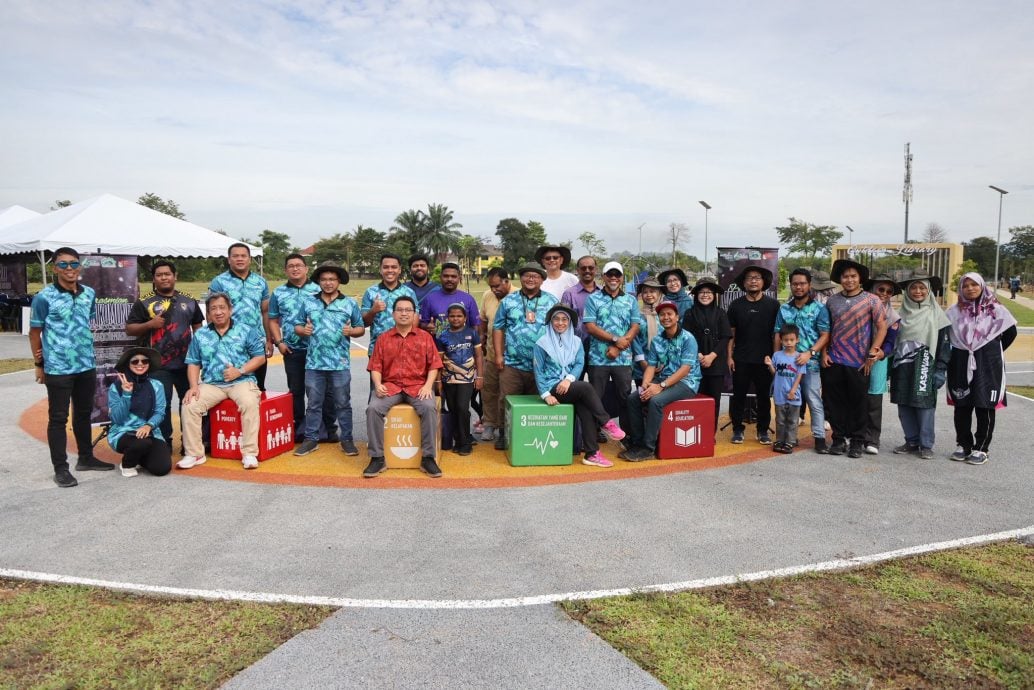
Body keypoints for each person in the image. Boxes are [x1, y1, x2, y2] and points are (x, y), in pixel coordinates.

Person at [29, 247, 109, 487]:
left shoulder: (89, 293)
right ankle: (60, 469)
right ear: (55, 268)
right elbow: (35, 333)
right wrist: (39, 364)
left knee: (83, 413)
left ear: (79, 266)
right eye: (63, 264)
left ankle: (86, 457)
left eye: (73, 263)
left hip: (85, 364)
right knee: (58, 418)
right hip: (58, 368)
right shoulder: (44, 297)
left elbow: (85, 322)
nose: (69, 268)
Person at [178, 292, 267, 470]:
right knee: (189, 404)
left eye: (222, 307)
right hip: (212, 384)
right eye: (213, 309)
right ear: (208, 313)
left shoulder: (246, 330)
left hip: (241, 381)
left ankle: (249, 453)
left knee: (249, 402)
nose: (218, 312)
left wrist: (239, 371)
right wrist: (193, 386)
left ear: (230, 310)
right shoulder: (201, 335)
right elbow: (193, 362)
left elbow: (260, 357)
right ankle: (195, 453)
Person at [125, 260, 204, 451]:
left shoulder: (189, 300)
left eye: (167, 274)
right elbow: (130, 329)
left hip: (187, 363)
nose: (164, 278)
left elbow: (198, 328)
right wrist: (149, 325)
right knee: (162, 404)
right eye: (159, 275)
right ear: (153, 279)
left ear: (175, 276)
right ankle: (163, 442)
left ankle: (189, 441)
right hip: (158, 365)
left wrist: (200, 354)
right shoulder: (144, 302)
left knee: (189, 402)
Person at [534, 305, 625, 468]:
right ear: (551, 321)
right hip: (552, 387)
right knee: (586, 387)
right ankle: (606, 422)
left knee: (585, 408)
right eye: (556, 319)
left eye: (564, 319)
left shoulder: (576, 341)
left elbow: (579, 364)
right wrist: (546, 395)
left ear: (569, 322)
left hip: (568, 386)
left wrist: (568, 380)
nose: (560, 323)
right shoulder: (542, 343)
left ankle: (592, 454)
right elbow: (538, 370)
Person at [364, 296, 443, 478]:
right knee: (373, 408)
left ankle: (428, 458)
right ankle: (377, 457)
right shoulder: (383, 339)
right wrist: (378, 384)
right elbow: (375, 367)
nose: (404, 313)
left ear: (414, 314)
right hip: (390, 386)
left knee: (429, 407)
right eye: (400, 310)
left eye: (408, 310)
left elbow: (434, 365)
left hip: (417, 386)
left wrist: (428, 386)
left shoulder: (425, 337)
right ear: (393, 314)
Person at [292, 261, 365, 457]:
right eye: (324, 279)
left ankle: (347, 439)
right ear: (319, 281)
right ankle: (311, 439)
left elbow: (360, 327)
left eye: (332, 279)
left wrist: (352, 331)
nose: (328, 282)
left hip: (339, 364)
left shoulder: (349, 303)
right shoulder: (308, 302)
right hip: (314, 363)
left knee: (343, 403)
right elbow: (297, 325)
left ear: (339, 281)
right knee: (313, 404)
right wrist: (303, 330)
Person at [945, 272, 1018, 465]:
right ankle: (963, 444)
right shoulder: (953, 312)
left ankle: (981, 448)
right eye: (966, 285)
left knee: (984, 405)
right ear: (961, 288)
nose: (970, 288)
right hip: (960, 362)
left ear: (982, 286)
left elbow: (1010, 333)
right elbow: (946, 335)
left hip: (988, 363)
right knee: (962, 405)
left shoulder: (997, 310)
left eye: (974, 284)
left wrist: (990, 350)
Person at [822, 259, 888, 458]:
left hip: (859, 362)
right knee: (835, 402)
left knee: (859, 403)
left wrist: (872, 353)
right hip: (835, 359)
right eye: (845, 276)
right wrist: (824, 353)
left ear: (860, 279)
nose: (849, 280)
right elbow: (826, 329)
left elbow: (882, 327)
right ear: (840, 279)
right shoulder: (832, 301)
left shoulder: (872, 300)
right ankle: (839, 439)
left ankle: (857, 442)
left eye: (853, 276)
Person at [268, 253, 334, 443]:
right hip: (292, 350)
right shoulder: (278, 293)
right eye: (291, 266)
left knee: (323, 391)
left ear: (306, 269)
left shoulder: (319, 289)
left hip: (319, 350)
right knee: (296, 390)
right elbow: (273, 319)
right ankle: (298, 427)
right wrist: (279, 342)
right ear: (285, 270)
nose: (295, 269)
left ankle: (328, 428)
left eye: (299, 265)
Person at [622, 301, 701, 461]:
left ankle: (648, 448)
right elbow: (651, 366)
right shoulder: (657, 339)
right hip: (663, 379)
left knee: (656, 401)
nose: (666, 317)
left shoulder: (688, 338)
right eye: (662, 314)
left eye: (669, 314)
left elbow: (685, 369)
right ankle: (637, 443)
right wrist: (645, 384)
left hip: (686, 382)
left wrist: (660, 386)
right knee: (633, 399)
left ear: (677, 317)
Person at [492, 262, 559, 450]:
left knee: (538, 400)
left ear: (542, 280)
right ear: (520, 278)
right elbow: (498, 328)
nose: (531, 279)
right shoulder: (508, 301)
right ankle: (504, 434)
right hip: (512, 363)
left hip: (542, 365)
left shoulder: (552, 301)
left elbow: (559, 328)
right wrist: (499, 355)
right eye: (527, 275)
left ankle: (533, 435)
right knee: (506, 399)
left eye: (535, 276)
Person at [890, 270, 951, 459]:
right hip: (902, 366)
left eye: (922, 288)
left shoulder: (938, 316)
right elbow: (892, 344)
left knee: (925, 406)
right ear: (907, 291)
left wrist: (940, 369)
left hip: (925, 365)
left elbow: (944, 345)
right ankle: (911, 441)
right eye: (913, 288)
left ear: (929, 290)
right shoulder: (899, 316)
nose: (918, 291)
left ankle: (926, 444)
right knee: (904, 404)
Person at [772, 268, 831, 453]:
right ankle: (787, 438)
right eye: (795, 284)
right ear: (791, 285)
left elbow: (825, 334)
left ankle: (819, 438)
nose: (799, 287)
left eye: (802, 283)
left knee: (813, 400)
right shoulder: (784, 309)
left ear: (809, 285)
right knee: (785, 402)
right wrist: (776, 358)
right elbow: (777, 334)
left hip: (810, 364)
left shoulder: (819, 308)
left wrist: (810, 353)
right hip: (786, 368)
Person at [583, 261, 639, 436]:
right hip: (598, 358)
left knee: (625, 398)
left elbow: (635, 326)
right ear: (603, 277)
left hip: (623, 359)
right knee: (595, 398)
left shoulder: (630, 299)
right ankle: (593, 435)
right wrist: (615, 340)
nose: (613, 278)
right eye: (610, 274)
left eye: (617, 275)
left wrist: (618, 347)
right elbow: (590, 327)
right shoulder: (593, 299)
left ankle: (628, 436)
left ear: (622, 278)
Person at [726, 265, 780, 445]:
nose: (753, 281)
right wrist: (729, 357)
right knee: (738, 396)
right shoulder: (736, 305)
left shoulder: (773, 305)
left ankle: (762, 430)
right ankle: (737, 429)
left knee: (764, 397)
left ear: (763, 282)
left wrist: (775, 357)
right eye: (749, 278)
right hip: (741, 359)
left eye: (757, 277)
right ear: (744, 283)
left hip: (765, 359)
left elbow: (776, 334)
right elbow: (731, 334)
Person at [208, 242, 272, 390]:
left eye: (243, 256)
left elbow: (265, 311)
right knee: (230, 386)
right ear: (229, 259)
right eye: (235, 256)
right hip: (230, 341)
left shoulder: (260, 282)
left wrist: (269, 339)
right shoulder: (219, 282)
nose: (240, 259)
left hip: (256, 341)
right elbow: (212, 312)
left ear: (250, 259)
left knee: (258, 387)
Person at [106, 347, 172, 477]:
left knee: (161, 469)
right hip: (123, 432)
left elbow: (160, 412)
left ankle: (138, 456)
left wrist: (149, 425)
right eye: (135, 361)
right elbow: (117, 419)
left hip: (150, 432)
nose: (140, 364)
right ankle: (127, 464)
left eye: (144, 361)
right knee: (142, 442)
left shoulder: (157, 385)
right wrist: (126, 394)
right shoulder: (116, 387)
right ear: (128, 364)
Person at [682, 276, 731, 432]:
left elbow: (725, 337)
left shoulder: (721, 313)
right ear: (696, 294)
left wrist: (711, 356)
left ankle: (710, 433)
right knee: (696, 399)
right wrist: (698, 354)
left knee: (714, 401)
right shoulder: (689, 314)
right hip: (695, 364)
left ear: (714, 295)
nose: (705, 295)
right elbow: (686, 337)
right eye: (702, 292)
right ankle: (697, 432)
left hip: (716, 363)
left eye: (709, 292)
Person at [861, 273, 901, 455]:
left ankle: (872, 439)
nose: (884, 293)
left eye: (889, 291)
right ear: (872, 289)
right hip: (855, 357)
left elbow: (891, 342)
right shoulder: (860, 308)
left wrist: (881, 353)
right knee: (855, 397)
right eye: (881, 289)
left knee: (874, 401)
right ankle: (855, 435)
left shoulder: (893, 316)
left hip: (878, 360)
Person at [437, 303, 483, 455]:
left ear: (465, 317)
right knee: (453, 409)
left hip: (467, 379)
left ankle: (465, 443)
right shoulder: (442, 336)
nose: (455, 319)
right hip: (448, 379)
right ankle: (458, 440)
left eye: (459, 316)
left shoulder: (472, 333)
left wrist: (480, 376)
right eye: (452, 316)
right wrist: (438, 381)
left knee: (463, 408)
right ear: (447, 317)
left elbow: (478, 356)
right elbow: (439, 361)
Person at [361, 253, 418, 358]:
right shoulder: (370, 292)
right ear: (380, 270)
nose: (390, 270)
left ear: (399, 270)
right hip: (377, 350)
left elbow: (414, 321)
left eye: (394, 267)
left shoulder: (409, 293)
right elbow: (363, 323)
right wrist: (373, 311)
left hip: (404, 349)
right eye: (386, 267)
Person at [478, 267, 511, 442]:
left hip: (511, 357)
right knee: (489, 390)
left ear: (507, 281)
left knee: (507, 393)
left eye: (497, 286)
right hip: (490, 352)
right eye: (491, 286)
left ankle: (506, 427)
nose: (494, 289)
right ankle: (489, 424)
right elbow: (483, 321)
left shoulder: (517, 295)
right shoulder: (487, 296)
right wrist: (482, 339)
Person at [766, 325, 805, 454]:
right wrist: (770, 365)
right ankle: (780, 440)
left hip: (794, 394)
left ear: (797, 340)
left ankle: (790, 441)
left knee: (792, 420)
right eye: (786, 340)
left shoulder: (799, 357)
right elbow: (775, 373)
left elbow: (799, 375)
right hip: (779, 393)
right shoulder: (777, 355)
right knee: (780, 419)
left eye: (791, 340)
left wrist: (793, 390)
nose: (789, 343)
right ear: (781, 340)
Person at [419, 262, 481, 337]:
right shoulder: (429, 299)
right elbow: (422, 324)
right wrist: (427, 327)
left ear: (459, 278)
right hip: (437, 343)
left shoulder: (469, 299)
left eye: (453, 276)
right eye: (446, 276)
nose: (449, 279)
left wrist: (475, 341)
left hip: (463, 343)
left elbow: (475, 325)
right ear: (440, 277)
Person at [560, 255, 599, 366]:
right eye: (583, 268)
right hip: (575, 347)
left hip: (599, 348)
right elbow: (564, 321)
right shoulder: (569, 294)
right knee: (575, 377)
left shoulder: (603, 293)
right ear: (578, 270)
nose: (587, 271)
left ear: (596, 269)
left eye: (591, 268)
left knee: (597, 378)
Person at [632, 277, 664, 390]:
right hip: (641, 366)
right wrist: (643, 362)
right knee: (643, 395)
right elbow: (634, 340)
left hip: (663, 366)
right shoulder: (637, 316)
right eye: (645, 292)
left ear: (659, 293)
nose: (649, 295)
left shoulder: (665, 314)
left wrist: (664, 362)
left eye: (652, 291)